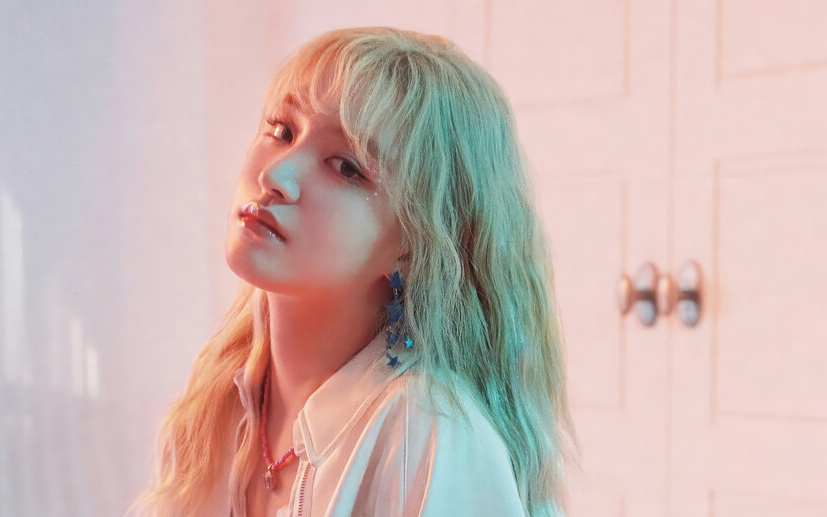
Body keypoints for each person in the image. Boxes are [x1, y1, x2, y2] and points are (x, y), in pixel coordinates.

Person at [126, 26, 581, 517]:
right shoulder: (221, 398)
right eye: (282, 131)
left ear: (415, 245)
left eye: (346, 167)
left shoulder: (428, 440)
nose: (274, 176)